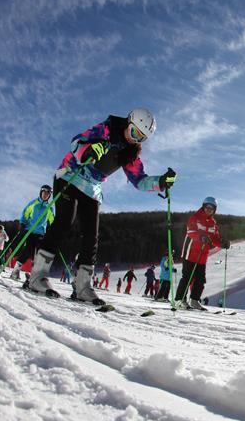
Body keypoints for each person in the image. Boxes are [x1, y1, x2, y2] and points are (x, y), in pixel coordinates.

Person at [26, 108, 175, 303]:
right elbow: (76, 142)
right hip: (71, 174)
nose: (135, 139)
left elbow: (139, 180)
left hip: (92, 188)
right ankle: (37, 276)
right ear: (128, 123)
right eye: (134, 132)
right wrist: (88, 149)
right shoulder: (106, 130)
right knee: (64, 221)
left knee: (91, 236)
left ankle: (82, 286)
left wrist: (161, 182)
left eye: (141, 138)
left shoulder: (131, 153)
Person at [174, 197, 227, 310]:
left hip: (202, 255)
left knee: (200, 280)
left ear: (214, 210)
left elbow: (215, 238)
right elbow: (191, 231)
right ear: (203, 206)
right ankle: (179, 300)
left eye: (212, 208)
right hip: (190, 252)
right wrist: (200, 236)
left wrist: (222, 243)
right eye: (207, 207)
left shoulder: (213, 223)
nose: (209, 210)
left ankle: (194, 300)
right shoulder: (195, 217)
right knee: (187, 277)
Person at [9, 185, 56, 282]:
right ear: (41, 192)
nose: (45, 195)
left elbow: (52, 221)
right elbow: (25, 214)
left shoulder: (50, 208)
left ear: (49, 196)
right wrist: (22, 224)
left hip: (41, 233)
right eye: (44, 192)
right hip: (30, 231)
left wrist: (53, 229)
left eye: (48, 194)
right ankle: (16, 270)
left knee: (39, 254)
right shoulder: (33, 203)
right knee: (28, 250)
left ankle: (34, 275)